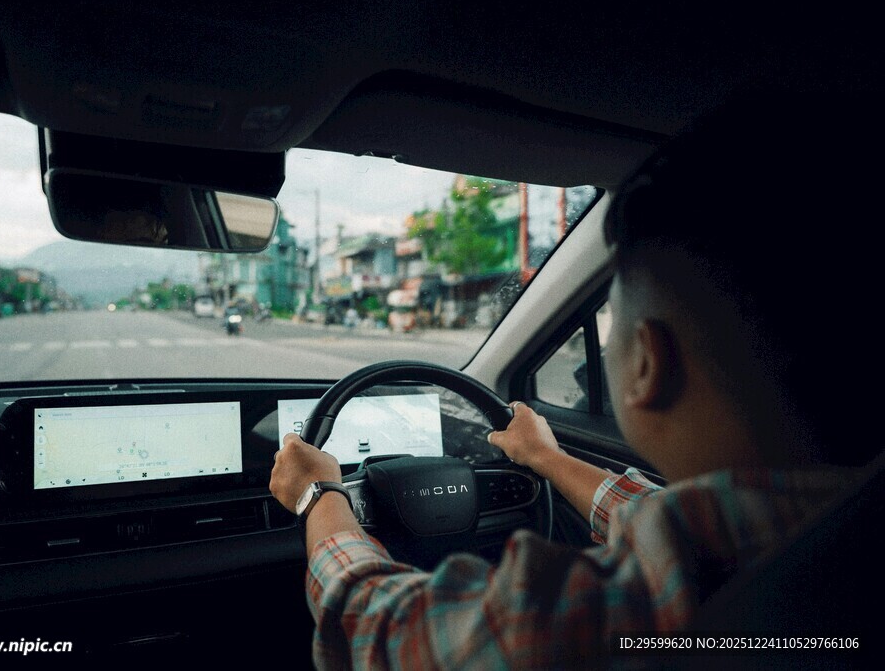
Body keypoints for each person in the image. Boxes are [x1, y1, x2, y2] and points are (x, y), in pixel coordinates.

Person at [268, 91, 880, 668]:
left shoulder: (624, 613)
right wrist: (546, 458)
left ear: (646, 364)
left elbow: (380, 629)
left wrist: (319, 496)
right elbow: (672, 527)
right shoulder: (814, 538)